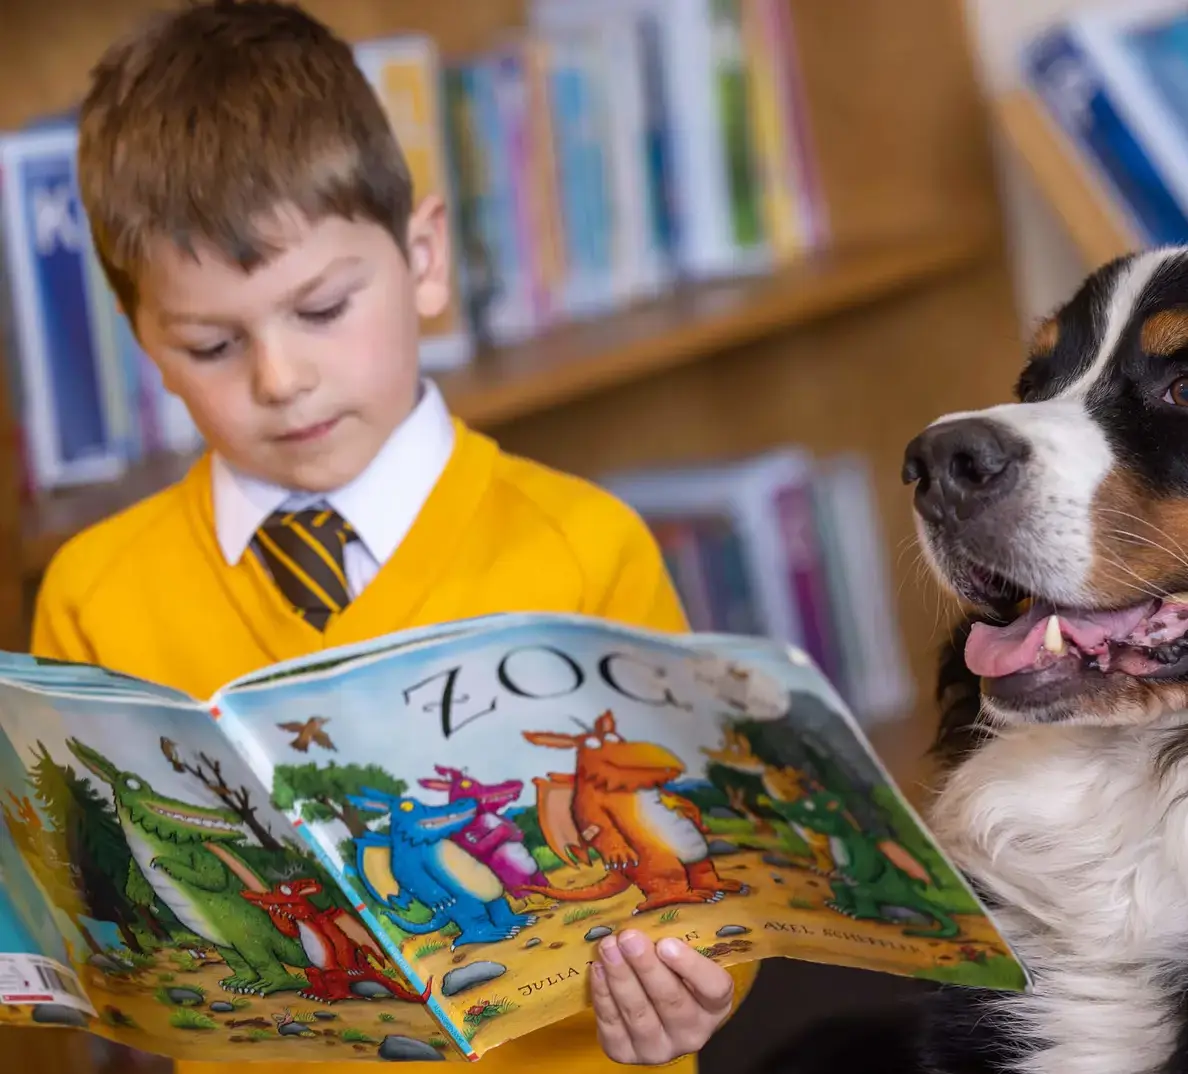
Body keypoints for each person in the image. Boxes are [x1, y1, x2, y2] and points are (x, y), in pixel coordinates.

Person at [25, 2, 755, 1071]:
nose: (280, 379)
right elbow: (95, 932)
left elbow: (714, 885)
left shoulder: (583, 547)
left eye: (321, 310)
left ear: (422, 259)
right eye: (214, 343)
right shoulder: (96, 592)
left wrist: (692, 997)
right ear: (146, 342)